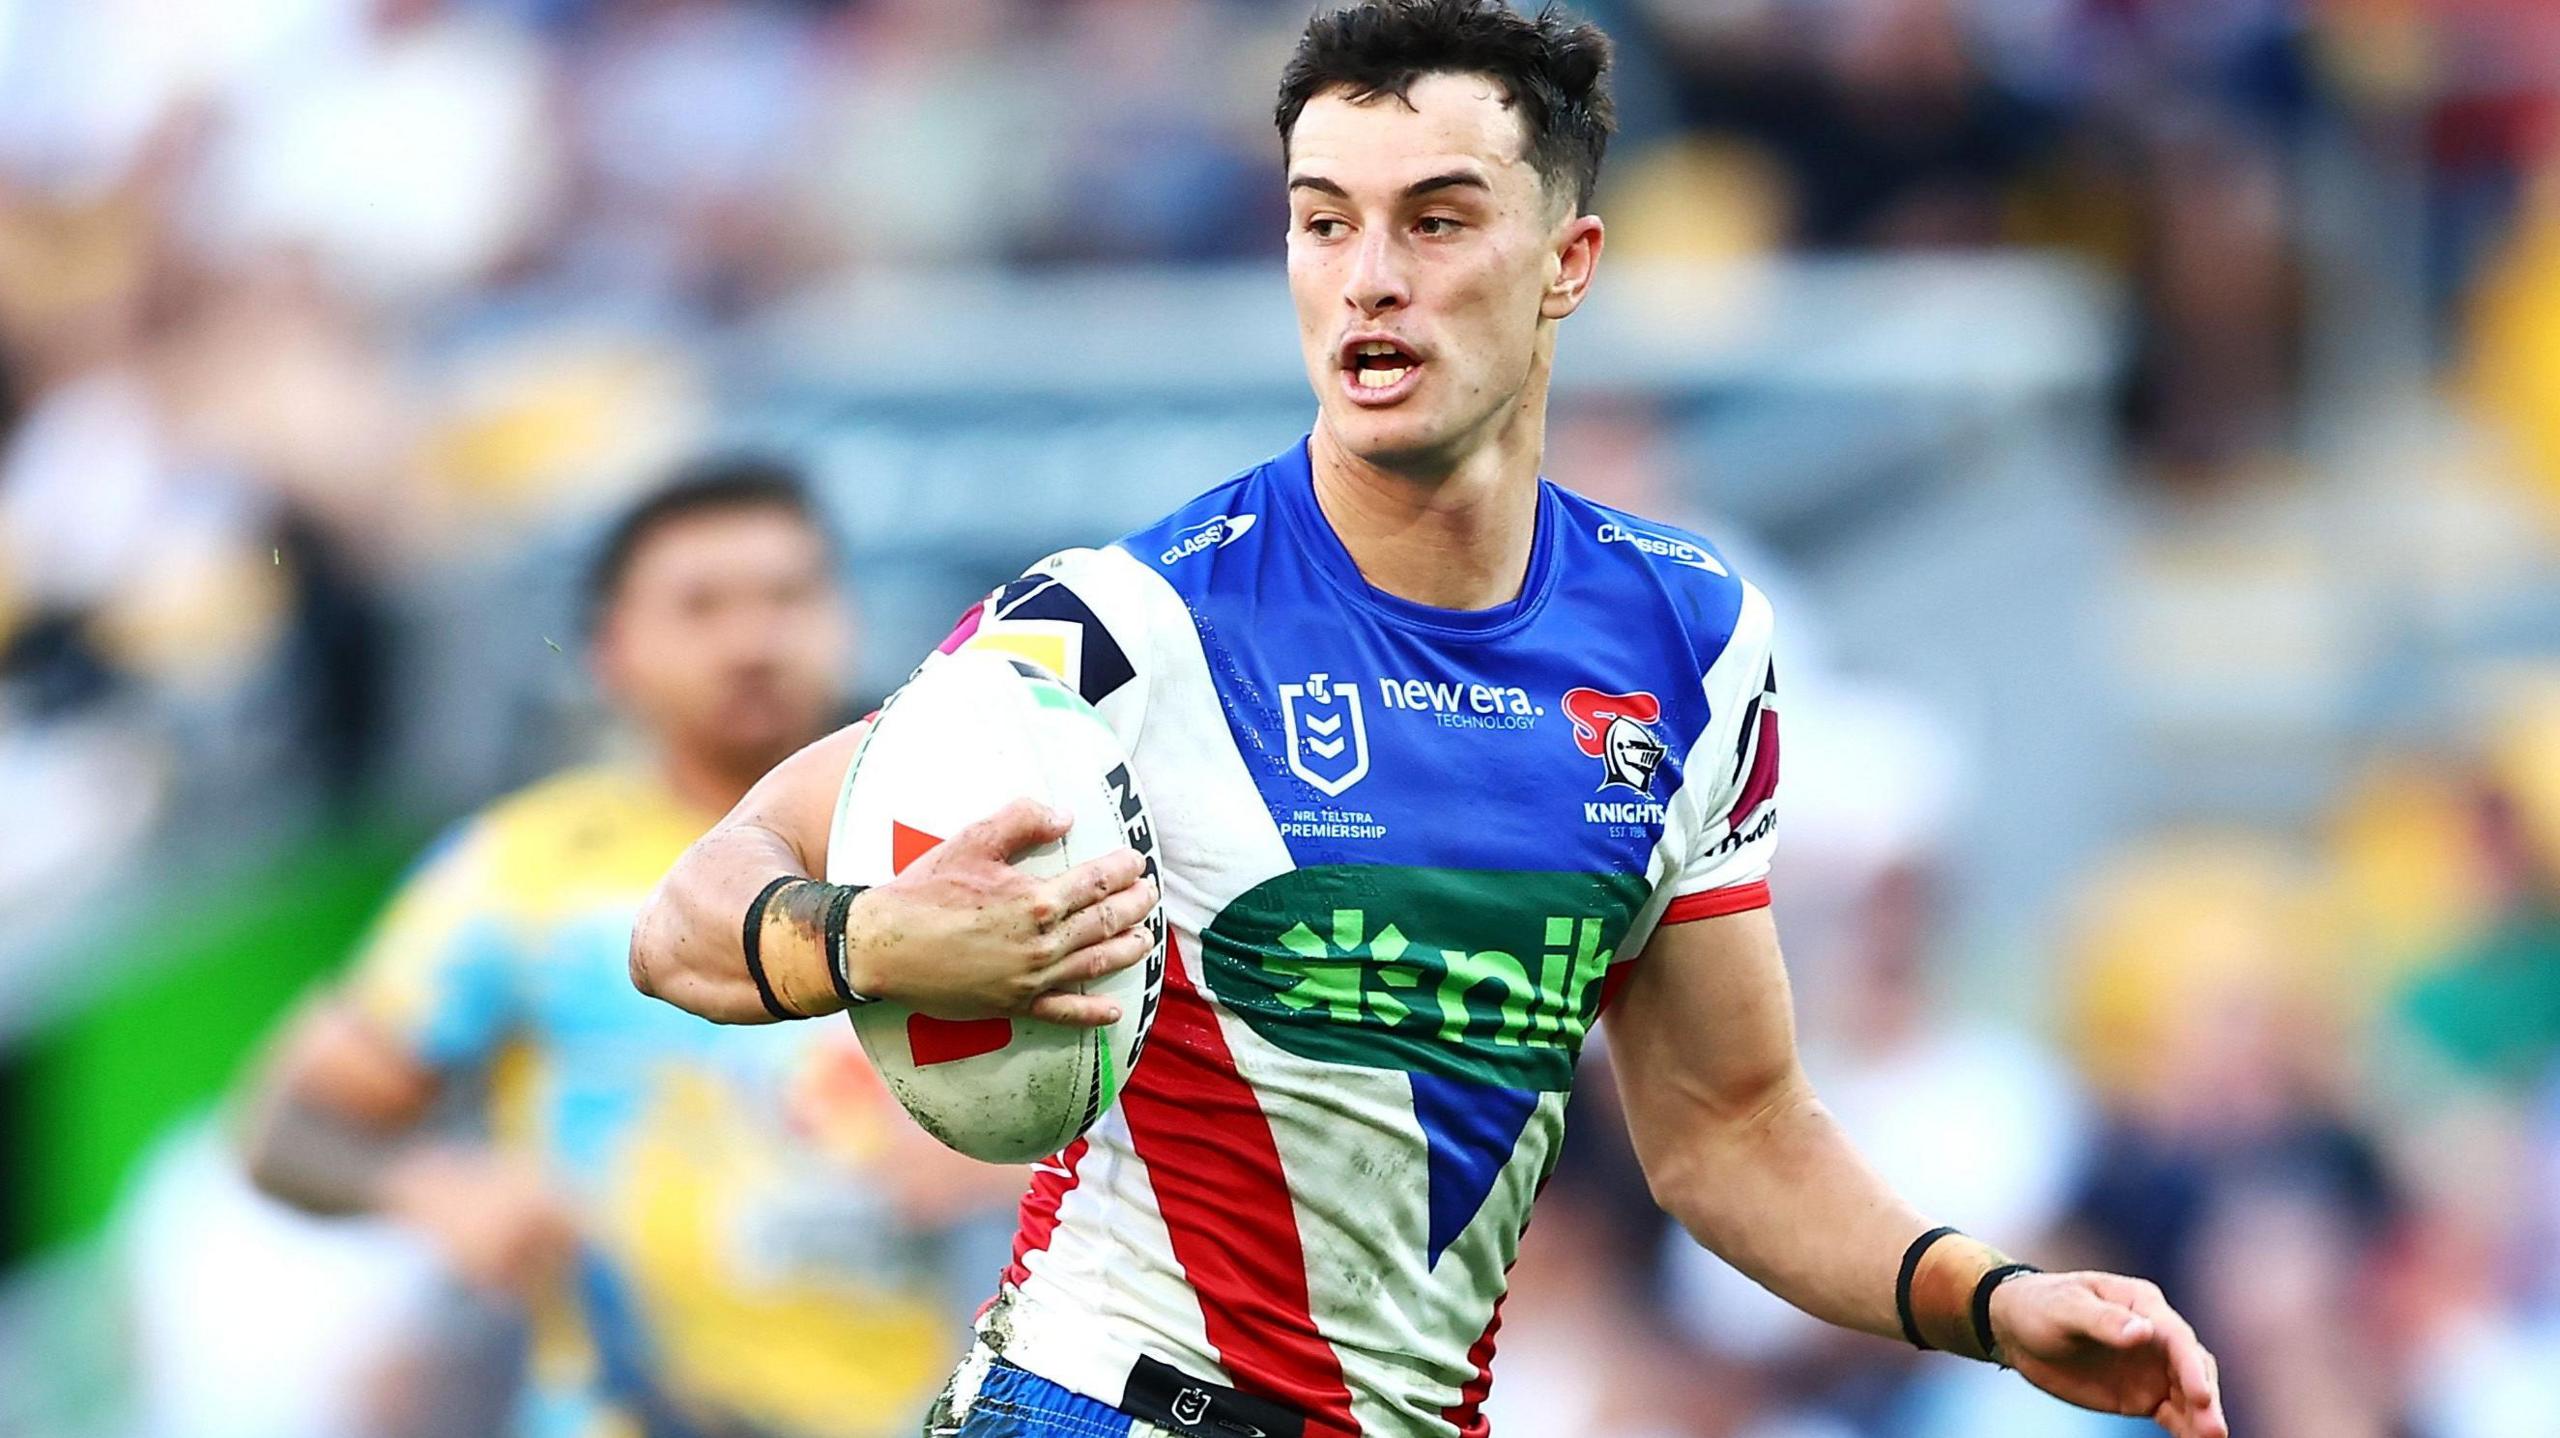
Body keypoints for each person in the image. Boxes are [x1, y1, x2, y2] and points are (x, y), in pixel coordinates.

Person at [626, 5, 2229, 1436]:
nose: (1371, 277)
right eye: (1325, 224)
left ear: (1568, 265)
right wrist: (877, 940)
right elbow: (689, 916)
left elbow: (1728, 1128)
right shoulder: (1136, 623)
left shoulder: (1693, 641)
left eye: (1437, 219)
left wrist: (1994, 1304)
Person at [242, 459, 1017, 1438]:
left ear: (845, 619)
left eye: (788, 596)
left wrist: (1017, 1158)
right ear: (611, 652)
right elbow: (288, 1129)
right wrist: (435, 1186)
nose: (751, 639)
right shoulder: (517, 872)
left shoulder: (949, 848)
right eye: (700, 606)